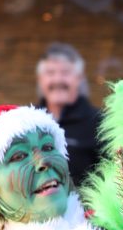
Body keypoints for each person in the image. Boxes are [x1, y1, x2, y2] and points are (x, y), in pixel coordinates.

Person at [35, 42, 102, 186]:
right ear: (40, 80)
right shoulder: (28, 122)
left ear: (79, 78)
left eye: (65, 72)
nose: (58, 80)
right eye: (50, 73)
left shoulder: (100, 123)